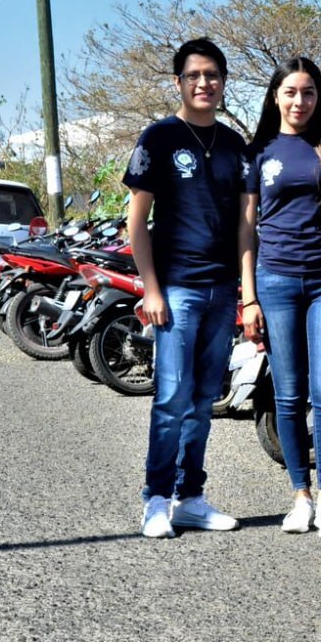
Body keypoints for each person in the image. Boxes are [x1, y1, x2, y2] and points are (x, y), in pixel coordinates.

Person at [124, 37, 248, 538]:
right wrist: (151, 289)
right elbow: (137, 223)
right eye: (194, 76)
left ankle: (190, 496)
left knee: (202, 401)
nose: (204, 84)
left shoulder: (235, 145)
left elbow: (245, 226)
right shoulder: (158, 138)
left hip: (222, 290)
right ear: (179, 82)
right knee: (172, 399)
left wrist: (246, 290)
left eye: (213, 75)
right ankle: (155, 499)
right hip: (176, 289)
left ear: (222, 82)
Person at [241, 57, 321, 540]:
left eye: (308, 92)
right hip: (275, 281)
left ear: (318, 98)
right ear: (275, 96)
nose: (299, 101)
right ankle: (300, 496)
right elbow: (246, 227)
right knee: (288, 394)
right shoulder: (259, 151)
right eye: (290, 92)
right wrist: (248, 296)